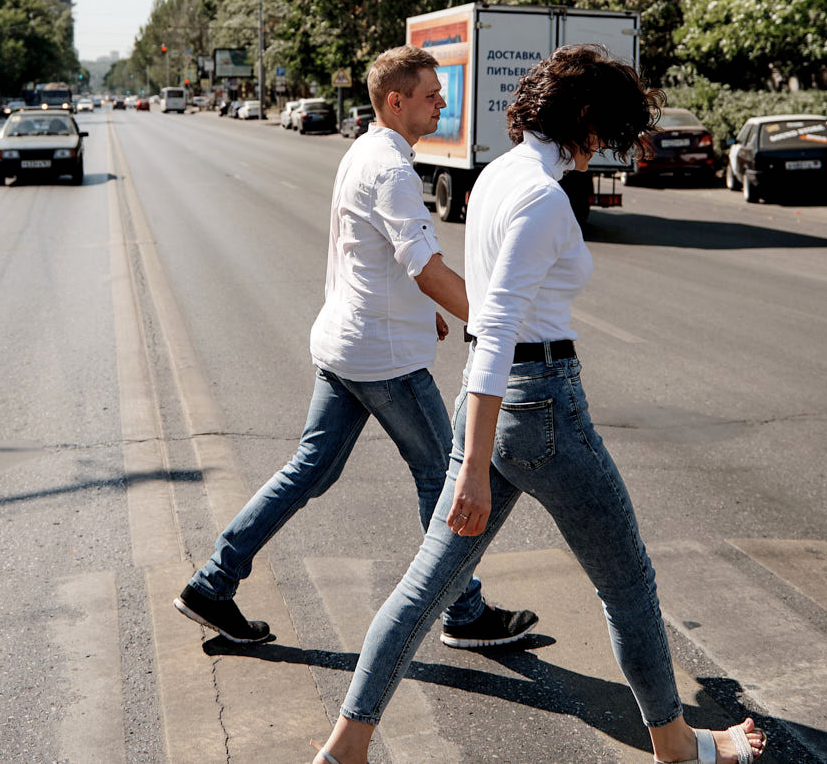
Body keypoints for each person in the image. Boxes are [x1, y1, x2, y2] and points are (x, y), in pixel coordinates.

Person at [310, 46, 766, 764]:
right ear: (583, 117)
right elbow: (496, 331)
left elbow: (485, 324)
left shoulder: (498, 175)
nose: (605, 148)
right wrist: (474, 468)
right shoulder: (542, 197)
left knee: (428, 585)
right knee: (628, 580)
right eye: (606, 130)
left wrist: (477, 450)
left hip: (492, 406)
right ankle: (677, 745)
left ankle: (346, 746)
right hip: (542, 408)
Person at [175, 46, 538, 652]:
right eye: (431, 94)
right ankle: (466, 612)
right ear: (396, 101)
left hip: (346, 344)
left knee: (307, 472)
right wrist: (495, 322)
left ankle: (213, 584)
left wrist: (426, 313)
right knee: (445, 476)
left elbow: (374, 257)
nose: (442, 103)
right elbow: (423, 263)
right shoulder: (393, 169)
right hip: (383, 361)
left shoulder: (365, 151)